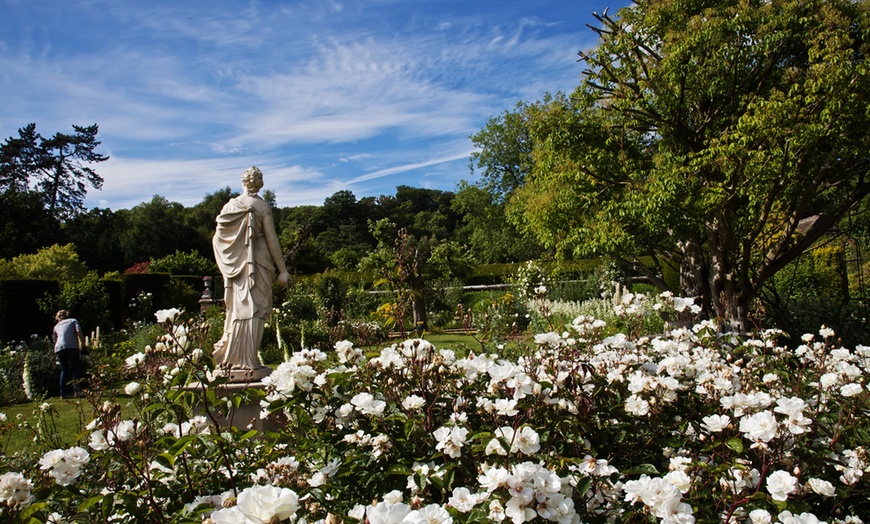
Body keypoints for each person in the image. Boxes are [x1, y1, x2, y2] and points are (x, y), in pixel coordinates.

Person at [212, 166, 290, 381]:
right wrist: (282, 270)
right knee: (257, 308)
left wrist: (231, 260)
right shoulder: (261, 206)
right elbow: (272, 240)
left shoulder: (230, 206)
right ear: (260, 183)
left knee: (239, 310)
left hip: (237, 267)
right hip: (259, 262)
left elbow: (218, 239)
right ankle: (248, 360)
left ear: (243, 182)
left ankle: (236, 359)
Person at [52, 310, 84, 398]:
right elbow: (78, 331)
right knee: (75, 368)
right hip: (72, 346)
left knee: (64, 370)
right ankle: (76, 390)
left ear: (58, 318)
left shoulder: (56, 326)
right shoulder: (73, 321)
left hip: (59, 348)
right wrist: (83, 343)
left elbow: (55, 339)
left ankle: (63, 393)